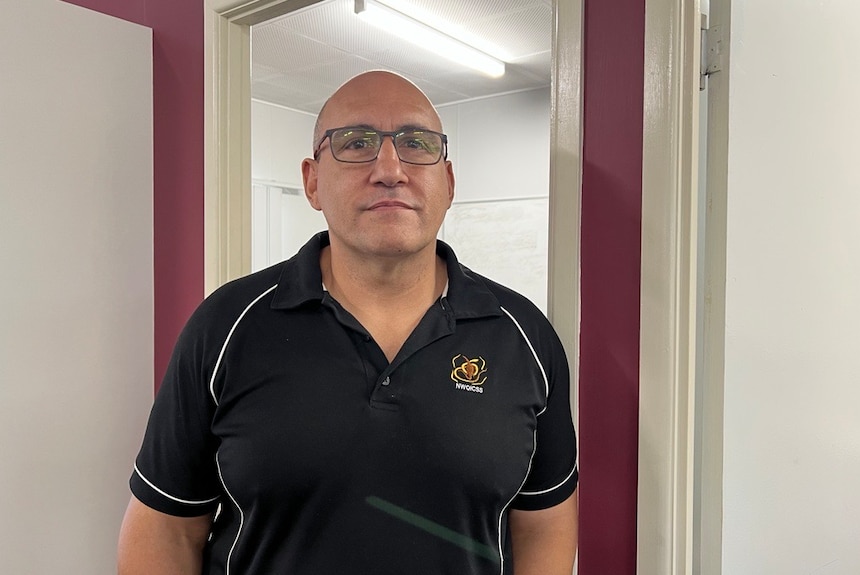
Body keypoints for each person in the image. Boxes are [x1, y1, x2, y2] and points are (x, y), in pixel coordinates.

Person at [117, 70, 578, 575]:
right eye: (356, 143)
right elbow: (165, 526)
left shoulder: (524, 337)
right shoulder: (225, 327)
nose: (390, 168)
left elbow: (543, 525)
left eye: (416, 143)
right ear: (312, 181)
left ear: (448, 183)